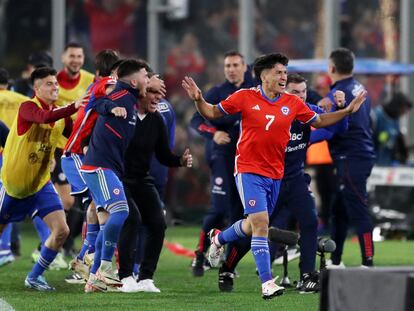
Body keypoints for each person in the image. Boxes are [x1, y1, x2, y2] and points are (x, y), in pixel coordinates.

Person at [182, 52, 367, 299]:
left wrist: (347, 112)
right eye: (279, 72)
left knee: (252, 225)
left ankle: (218, 238)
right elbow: (213, 113)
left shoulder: (292, 104)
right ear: (264, 75)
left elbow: (321, 121)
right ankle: (267, 282)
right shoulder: (245, 97)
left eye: (285, 72)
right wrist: (198, 100)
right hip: (248, 169)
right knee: (261, 224)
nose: (283, 77)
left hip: (276, 174)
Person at [216, 73, 347, 294]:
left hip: (295, 180)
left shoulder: (308, 111)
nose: (301, 96)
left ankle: (307, 275)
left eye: (304, 91)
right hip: (266, 179)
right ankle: (227, 268)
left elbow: (337, 129)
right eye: (295, 92)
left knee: (309, 221)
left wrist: (342, 109)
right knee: (256, 228)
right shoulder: (271, 113)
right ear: (283, 92)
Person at [0, 67, 82, 290]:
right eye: (49, 83)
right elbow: (43, 117)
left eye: (56, 83)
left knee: (62, 230)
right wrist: (72, 107)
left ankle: (35, 276)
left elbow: (77, 139)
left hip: (40, 183)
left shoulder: (62, 118)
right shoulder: (28, 107)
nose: (55, 87)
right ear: (36, 89)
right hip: (14, 184)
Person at [118, 74, 192, 293]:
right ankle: (124, 276)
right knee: (132, 219)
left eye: (161, 94)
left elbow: (162, 155)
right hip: (118, 178)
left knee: (158, 223)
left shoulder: (157, 120)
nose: (158, 98)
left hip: (142, 178)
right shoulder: (123, 114)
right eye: (153, 93)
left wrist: (179, 160)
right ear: (140, 92)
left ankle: (146, 278)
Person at [80, 59, 150, 293]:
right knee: (122, 211)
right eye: (145, 76)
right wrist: (110, 108)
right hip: (100, 167)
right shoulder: (120, 95)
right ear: (133, 81)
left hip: (106, 167)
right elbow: (96, 101)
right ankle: (106, 268)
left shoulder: (131, 100)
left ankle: (93, 279)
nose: (148, 80)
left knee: (109, 220)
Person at [189, 51, 256, 277]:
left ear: (245, 66)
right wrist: (213, 133)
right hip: (222, 157)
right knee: (218, 208)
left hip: (248, 160)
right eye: (227, 65)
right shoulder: (217, 92)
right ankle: (200, 254)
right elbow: (195, 120)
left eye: (235, 64)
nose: (231, 69)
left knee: (238, 212)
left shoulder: (256, 89)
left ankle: (229, 262)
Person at [311, 47, 375, 268]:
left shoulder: (336, 95)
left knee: (357, 208)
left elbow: (330, 129)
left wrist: (303, 138)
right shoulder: (359, 88)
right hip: (358, 154)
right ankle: (335, 261)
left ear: (331, 68)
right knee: (339, 209)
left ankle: (368, 262)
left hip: (350, 156)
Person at [61, 49, 120, 283]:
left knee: (96, 205)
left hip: (79, 154)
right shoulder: (109, 83)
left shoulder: (95, 83)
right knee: (103, 206)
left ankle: (85, 261)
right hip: (77, 154)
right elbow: (109, 95)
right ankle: (97, 265)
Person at [371, 92, 413, 165]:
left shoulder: (396, 120)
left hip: (388, 164)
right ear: (397, 106)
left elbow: (397, 140)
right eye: (403, 110)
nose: (403, 114)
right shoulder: (376, 116)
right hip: (374, 164)